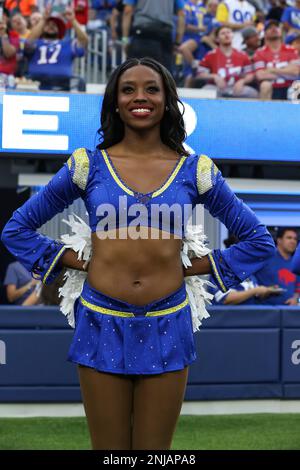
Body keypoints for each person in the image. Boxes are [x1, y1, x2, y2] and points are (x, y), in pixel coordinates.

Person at [1, 57, 275, 450]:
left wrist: (190, 268)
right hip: (100, 318)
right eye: (128, 89)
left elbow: (257, 240)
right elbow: (17, 229)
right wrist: (80, 260)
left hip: (168, 321)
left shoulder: (194, 169)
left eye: (152, 89)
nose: (140, 97)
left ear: (168, 101)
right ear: (114, 101)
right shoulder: (88, 164)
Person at [24, 5, 88, 91]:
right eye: (48, 24)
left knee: (79, 82)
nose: (51, 26)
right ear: (42, 28)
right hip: (35, 85)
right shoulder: (37, 43)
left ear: (59, 30)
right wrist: (43, 19)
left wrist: (73, 20)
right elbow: (29, 42)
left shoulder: (67, 43)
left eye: (54, 25)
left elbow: (84, 41)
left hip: (63, 85)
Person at [211, 235, 280, 305]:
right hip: (228, 315)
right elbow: (226, 299)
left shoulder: (247, 272)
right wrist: (255, 290)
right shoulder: (220, 272)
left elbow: (254, 296)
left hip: (250, 315)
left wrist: (267, 291)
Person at [195, 25, 258, 97]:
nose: (226, 35)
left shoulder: (242, 54)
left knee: (253, 93)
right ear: (217, 39)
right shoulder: (211, 55)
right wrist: (214, 76)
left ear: (232, 36)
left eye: (228, 32)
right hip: (216, 88)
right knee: (205, 91)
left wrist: (242, 81)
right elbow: (200, 74)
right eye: (223, 33)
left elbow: (250, 74)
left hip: (236, 88)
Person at [122, 0, 185, 72]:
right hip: (165, 36)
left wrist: (125, 40)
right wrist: (177, 42)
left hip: (143, 35)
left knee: (139, 73)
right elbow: (181, 14)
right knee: (164, 77)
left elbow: (127, 11)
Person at [253, 19, 300, 100]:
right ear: (265, 33)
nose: (274, 29)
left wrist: (272, 70)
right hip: (271, 88)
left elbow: (296, 72)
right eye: (270, 28)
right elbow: (260, 75)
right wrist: (287, 71)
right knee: (265, 85)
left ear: (281, 31)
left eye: (276, 27)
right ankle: (264, 112)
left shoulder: (291, 50)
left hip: (290, 87)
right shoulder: (259, 53)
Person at [255, 227, 300, 305]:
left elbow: (298, 286)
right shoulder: (265, 257)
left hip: (289, 312)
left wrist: (295, 299)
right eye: (289, 238)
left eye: (295, 239)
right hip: (265, 311)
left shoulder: (296, 263)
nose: (293, 241)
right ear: (279, 240)